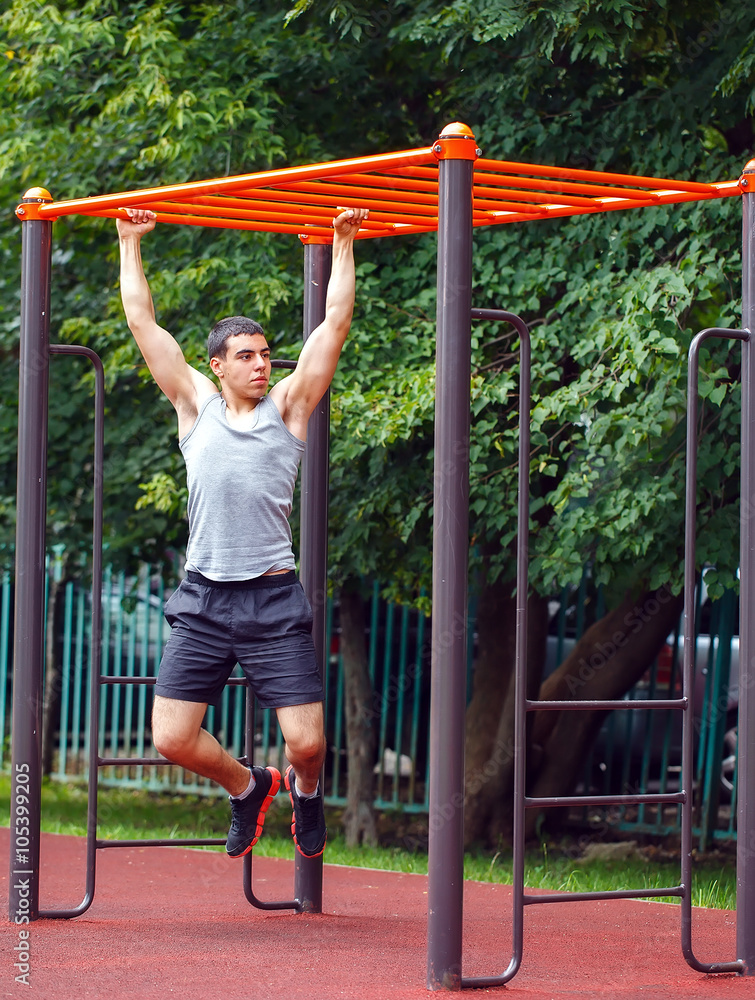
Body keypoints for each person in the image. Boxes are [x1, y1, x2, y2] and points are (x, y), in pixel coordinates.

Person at [116, 204, 369, 860]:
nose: (262, 365)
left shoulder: (288, 408)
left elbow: (334, 323)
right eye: (247, 357)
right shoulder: (193, 407)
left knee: (308, 745)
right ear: (218, 365)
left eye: (264, 355)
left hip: (270, 598)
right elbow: (142, 321)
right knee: (171, 738)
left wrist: (342, 242)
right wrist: (128, 243)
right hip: (203, 600)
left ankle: (306, 794)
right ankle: (247, 786)